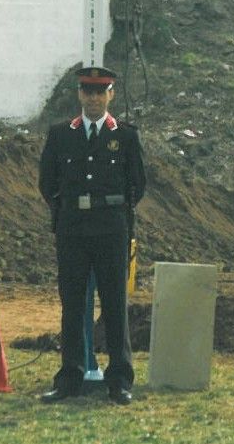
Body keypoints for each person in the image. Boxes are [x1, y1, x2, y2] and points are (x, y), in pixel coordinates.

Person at [39, 66, 148, 406]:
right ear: (79, 95)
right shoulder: (60, 135)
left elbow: (138, 184)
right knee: (72, 305)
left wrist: (116, 213)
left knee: (115, 305)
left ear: (111, 94)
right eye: (88, 91)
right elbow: (47, 182)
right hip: (73, 230)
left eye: (101, 92)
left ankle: (119, 381)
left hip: (111, 229)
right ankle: (69, 378)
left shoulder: (126, 136)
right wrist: (66, 209)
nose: (94, 98)